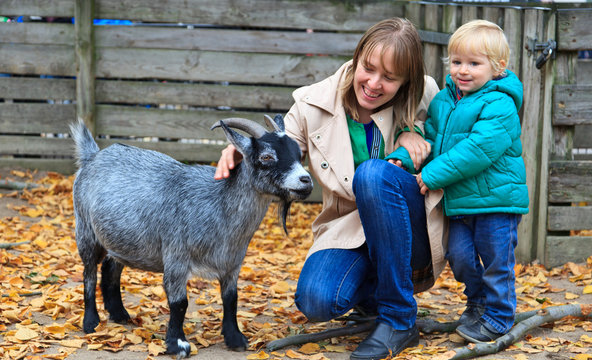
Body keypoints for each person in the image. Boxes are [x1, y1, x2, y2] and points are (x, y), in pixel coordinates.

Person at [215, 18, 447, 359]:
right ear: (356, 59)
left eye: (390, 77)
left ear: (406, 81)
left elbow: (454, 142)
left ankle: (398, 318)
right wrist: (244, 150)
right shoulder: (313, 104)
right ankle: (372, 300)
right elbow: (281, 145)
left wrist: (418, 134)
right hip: (349, 230)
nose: (373, 83)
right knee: (317, 300)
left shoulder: (425, 93)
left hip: (411, 232)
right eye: (368, 68)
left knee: (372, 175)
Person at [403, 19, 528, 343]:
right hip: (460, 202)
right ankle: (477, 302)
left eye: (474, 63)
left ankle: (500, 316)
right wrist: (404, 158)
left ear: (498, 67)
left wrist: (430, 175)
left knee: (496, 261)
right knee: (458, 256)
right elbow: (428, 141)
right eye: (457, 62)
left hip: (497, 202)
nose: (463, 70)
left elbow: (478, 150)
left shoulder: (500, 103)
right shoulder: (443, 102)